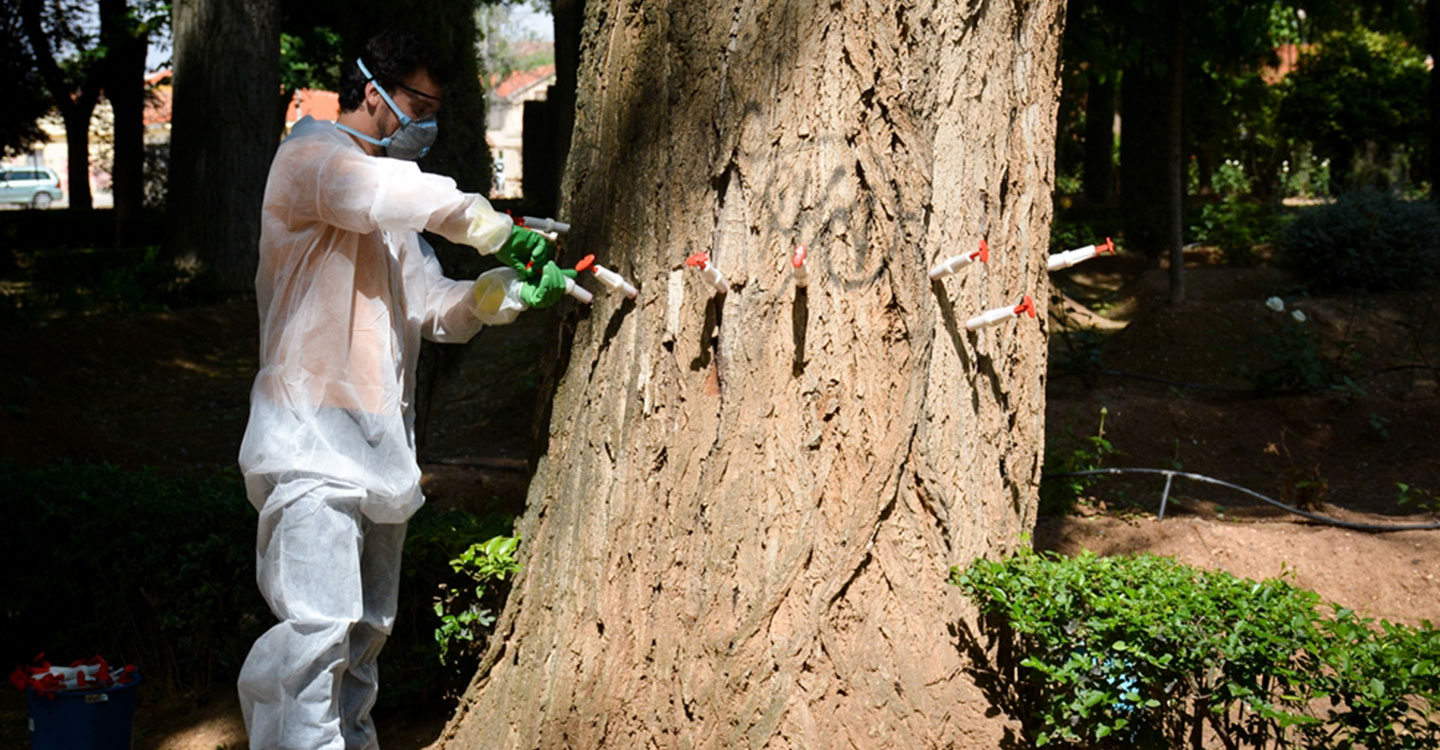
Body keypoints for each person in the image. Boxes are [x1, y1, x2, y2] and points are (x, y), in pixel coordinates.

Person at [235, 28, 572, 749]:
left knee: (362, 638)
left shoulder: (390, 221)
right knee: (313, 635)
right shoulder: (312, 160)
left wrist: (502, 291)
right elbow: (382, 193)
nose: (427, 120)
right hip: (308, 442)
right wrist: (489, 224)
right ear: (370, 91)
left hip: (377, 448)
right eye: (418, 102)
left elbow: (434, 309)